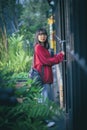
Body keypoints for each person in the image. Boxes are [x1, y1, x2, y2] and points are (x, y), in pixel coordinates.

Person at [32, 28, 65, 127]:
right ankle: (44, 121)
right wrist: (60, 56)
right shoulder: (38, 47)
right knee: (44, 99)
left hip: (46, 76)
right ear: (37, 36)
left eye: (44, 35)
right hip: (43, 77)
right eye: (40, 35)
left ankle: (43, 119)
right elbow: (47, 61)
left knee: (44, 98)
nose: (43, 36)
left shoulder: (44, 47)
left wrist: (58, 56)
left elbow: (49, 58)